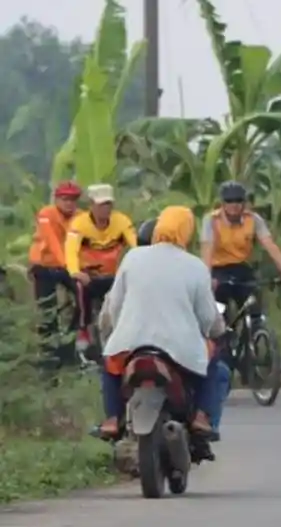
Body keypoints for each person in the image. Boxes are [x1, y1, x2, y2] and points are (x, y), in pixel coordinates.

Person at [96, 206, 225, 451]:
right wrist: (213, 331)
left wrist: (118, 329)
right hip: (181, 349)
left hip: (131, 343)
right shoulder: (196, 266)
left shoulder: (133, 257)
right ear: (187, 231)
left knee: (110, 361)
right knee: (214, 358)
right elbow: (208, 318)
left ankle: (112, 419)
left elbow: (114, 306)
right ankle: (201, 417)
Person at [200, 180, 281, 315]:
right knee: (218, 310)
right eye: (229, 201)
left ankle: (255, 325)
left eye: (238, 200)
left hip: (241, 267)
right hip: (218, 269)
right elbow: (207, 250)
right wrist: (207, 278)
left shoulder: (253, 219)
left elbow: (270, 245)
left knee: (254, 306)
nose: (234, 205)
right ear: (222, 203)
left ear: (244, 203)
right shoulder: (211, 220)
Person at [65, 184, 138, 355]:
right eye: (101, 205)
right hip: (89, 275)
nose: (105, 209)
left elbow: (135, 244)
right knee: (80, 287)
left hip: (113, 275)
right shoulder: (79, 224)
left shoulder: (122, 221)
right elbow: (71, 250)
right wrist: (75, 271)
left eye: (108, 204)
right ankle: (83, 329)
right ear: (91, 205)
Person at [28, 180, 83, 368]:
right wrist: (69, 265)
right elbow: (52, 241)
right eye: (64, 199)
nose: (69, 203)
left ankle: (70, 344)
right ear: (57, 199)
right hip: (44, 265)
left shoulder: (81, 217)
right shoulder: (46, 214)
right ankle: (48, 354)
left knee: (84, 299)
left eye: (73, 200)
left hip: (68, 266)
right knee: (46, 309)